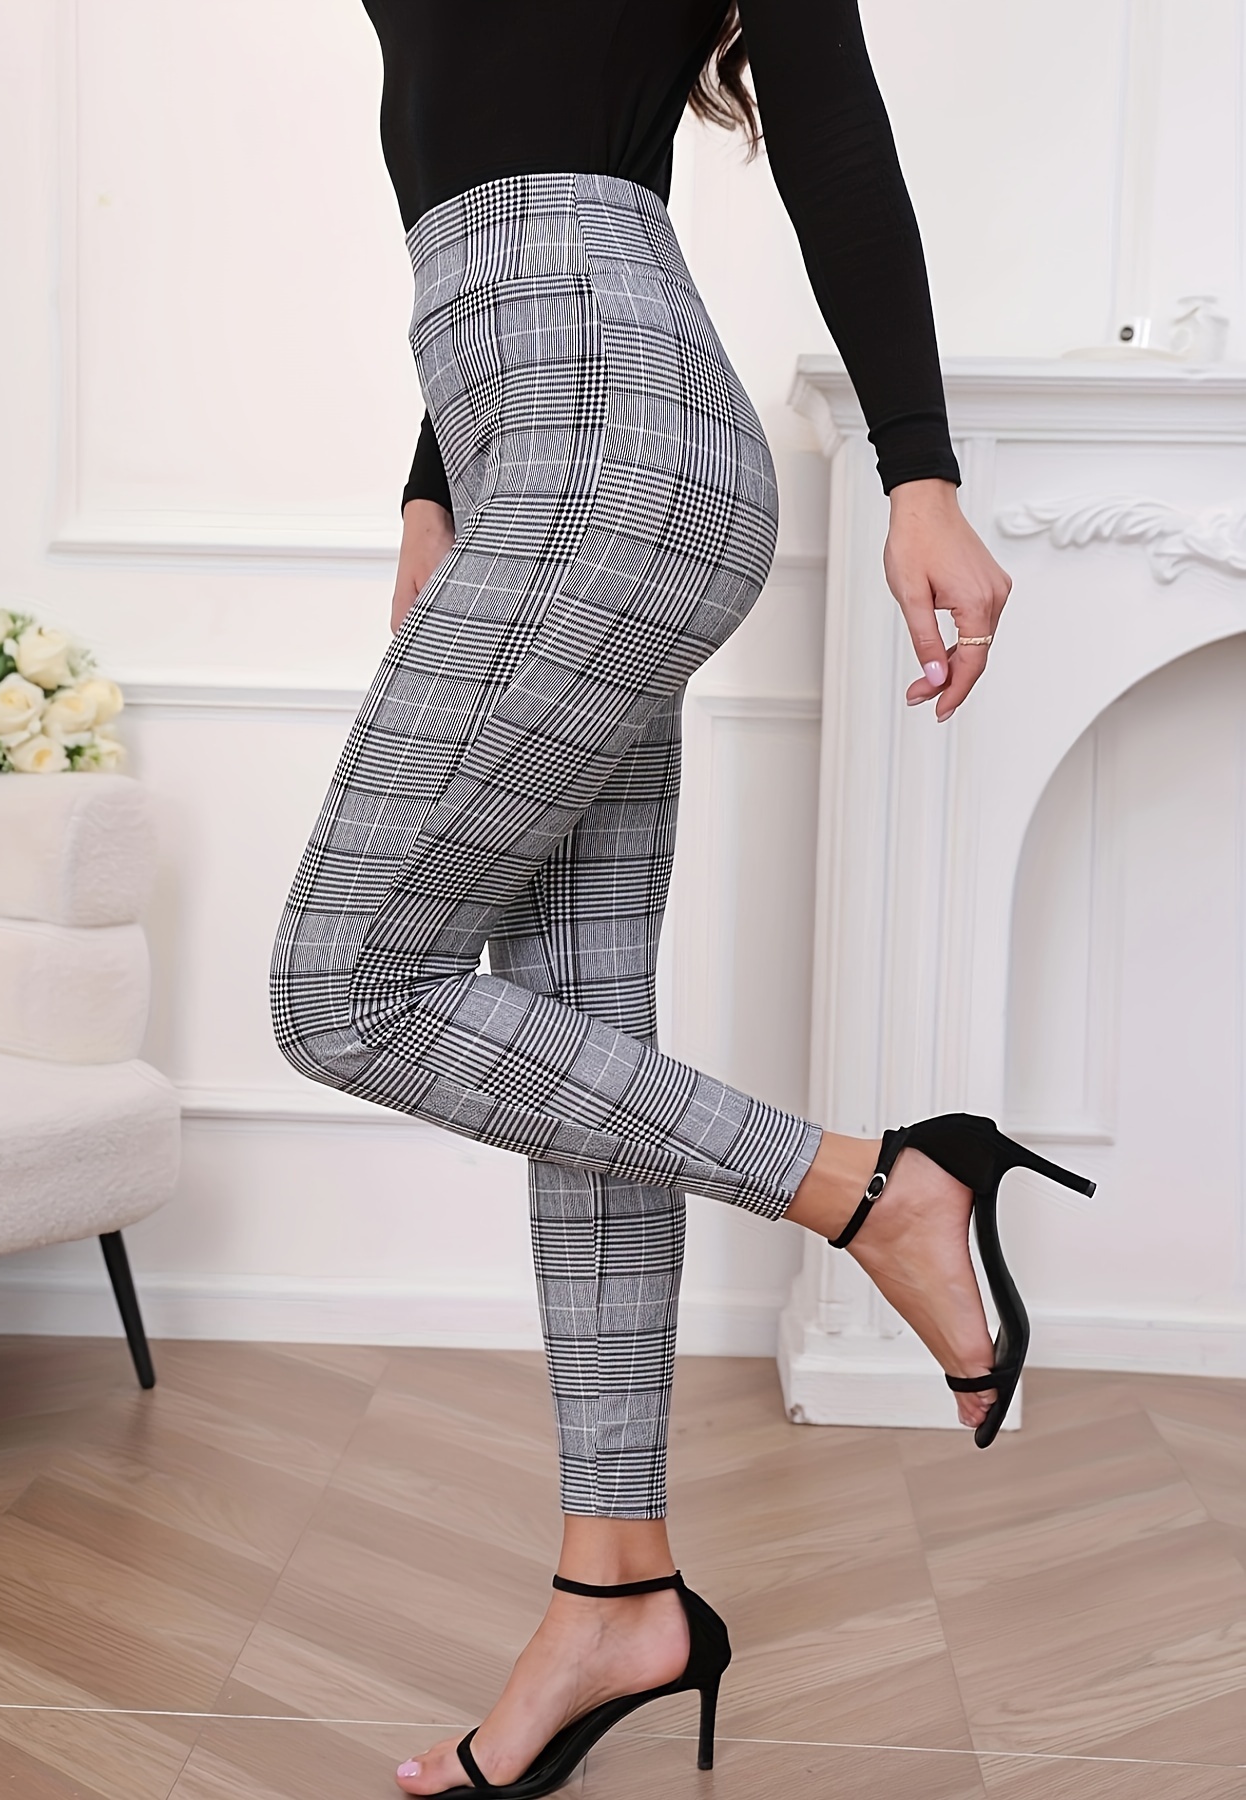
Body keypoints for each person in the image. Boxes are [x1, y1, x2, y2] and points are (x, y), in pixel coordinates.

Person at [270, 4, 1092, 1794]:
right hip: (528, 434)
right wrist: (432, 482)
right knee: (569, 1044)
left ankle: (878, 1190)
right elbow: (496, 118)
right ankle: (615, 1592)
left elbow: (830, 125)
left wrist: (919, 472)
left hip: (609, 434)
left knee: (344, 990)